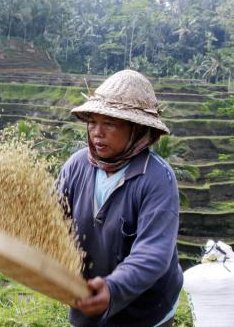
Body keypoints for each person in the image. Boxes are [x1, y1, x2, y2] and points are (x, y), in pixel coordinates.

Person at [58, 70, 183, 327]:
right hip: (88, 301)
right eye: (92, 122)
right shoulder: (77, 166)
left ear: (137, 130)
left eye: (110, 124)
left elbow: (153, 253)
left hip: (144, 312)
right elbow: (47, 221)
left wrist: (113, 288)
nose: (97, 132)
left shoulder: (157, 178)